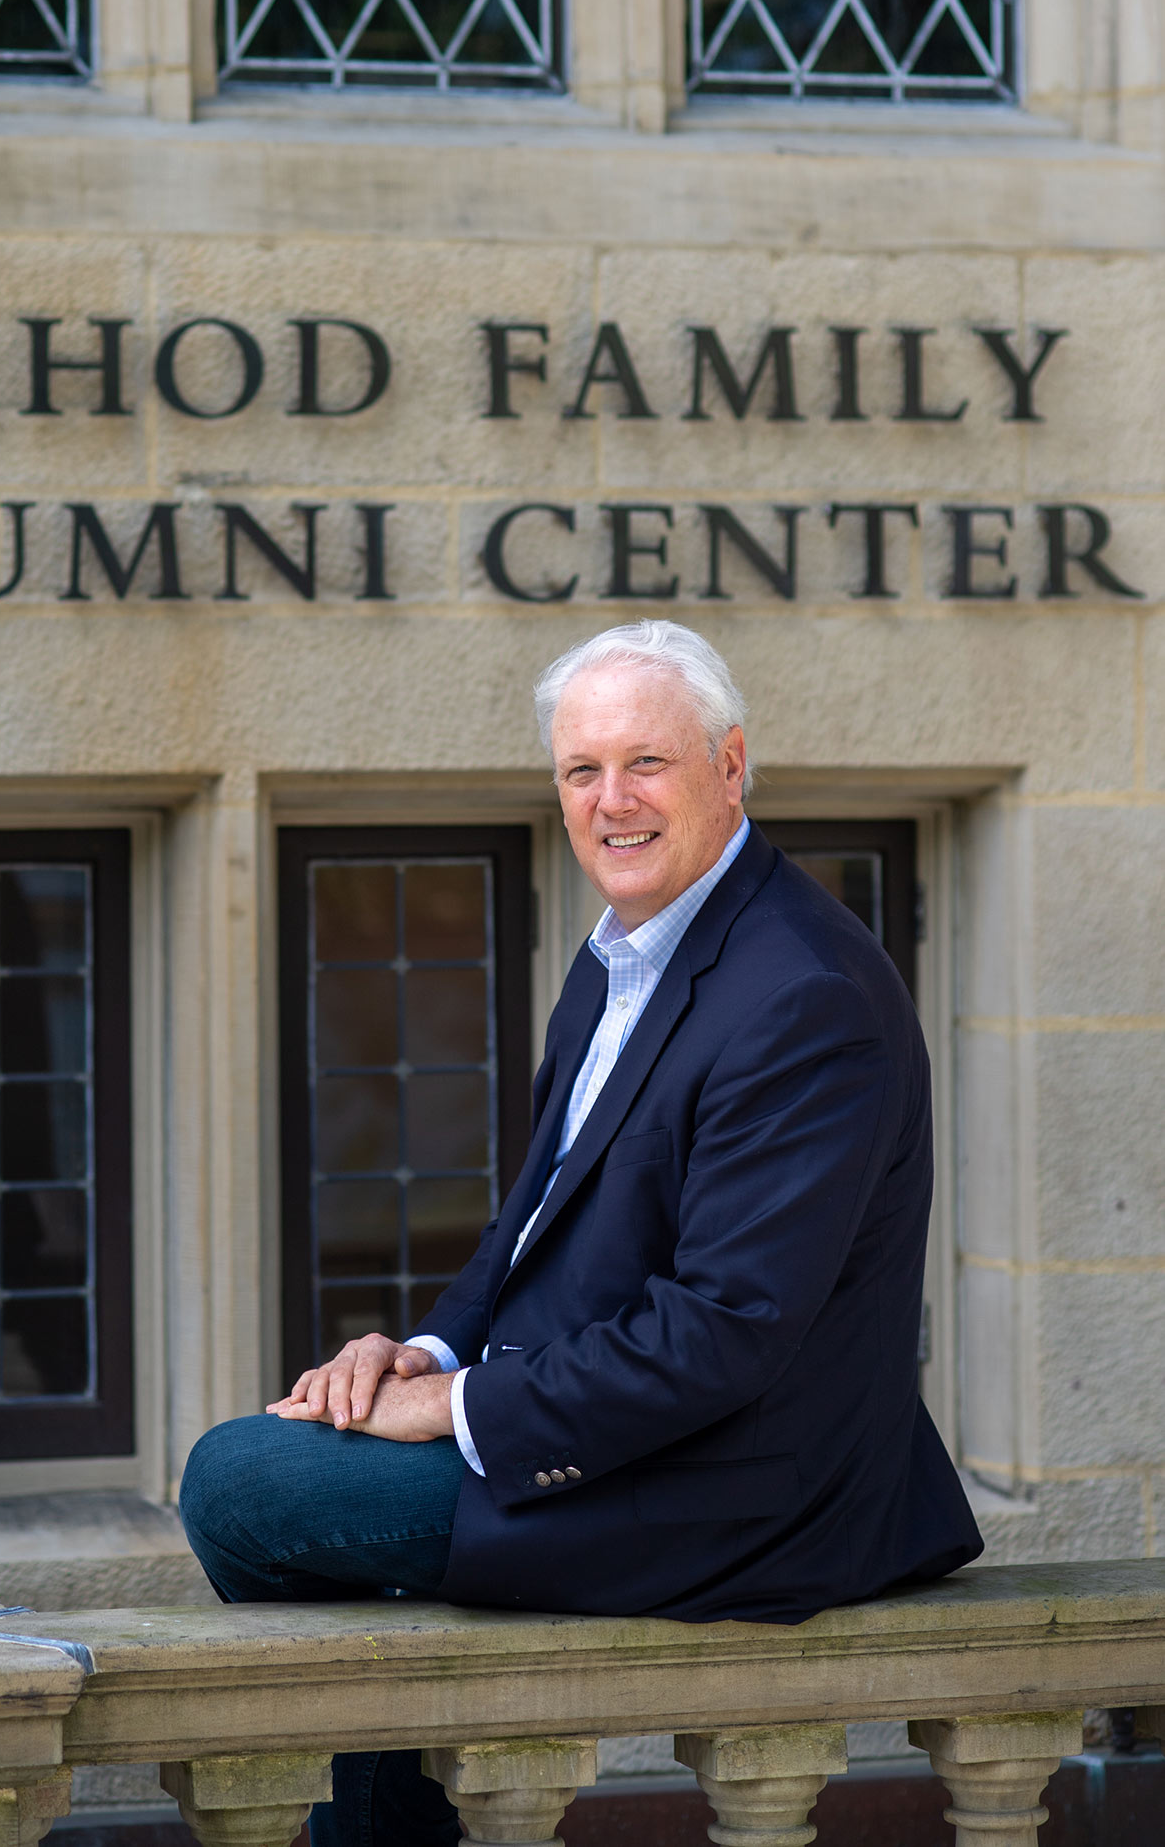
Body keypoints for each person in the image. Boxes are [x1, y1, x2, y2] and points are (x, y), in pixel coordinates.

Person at [179, 618, 981, 1847]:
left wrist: (457, 1416)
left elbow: (724, 1331)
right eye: (580, 770)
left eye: (646, 763)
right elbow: (531, 1229)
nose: (612, 801)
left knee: (242, 1483)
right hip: (630, 1439)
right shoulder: (626, 952)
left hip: (740, 1490)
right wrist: (429, 1356)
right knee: (294, 1466)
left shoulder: (804, 994)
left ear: (733, 763)